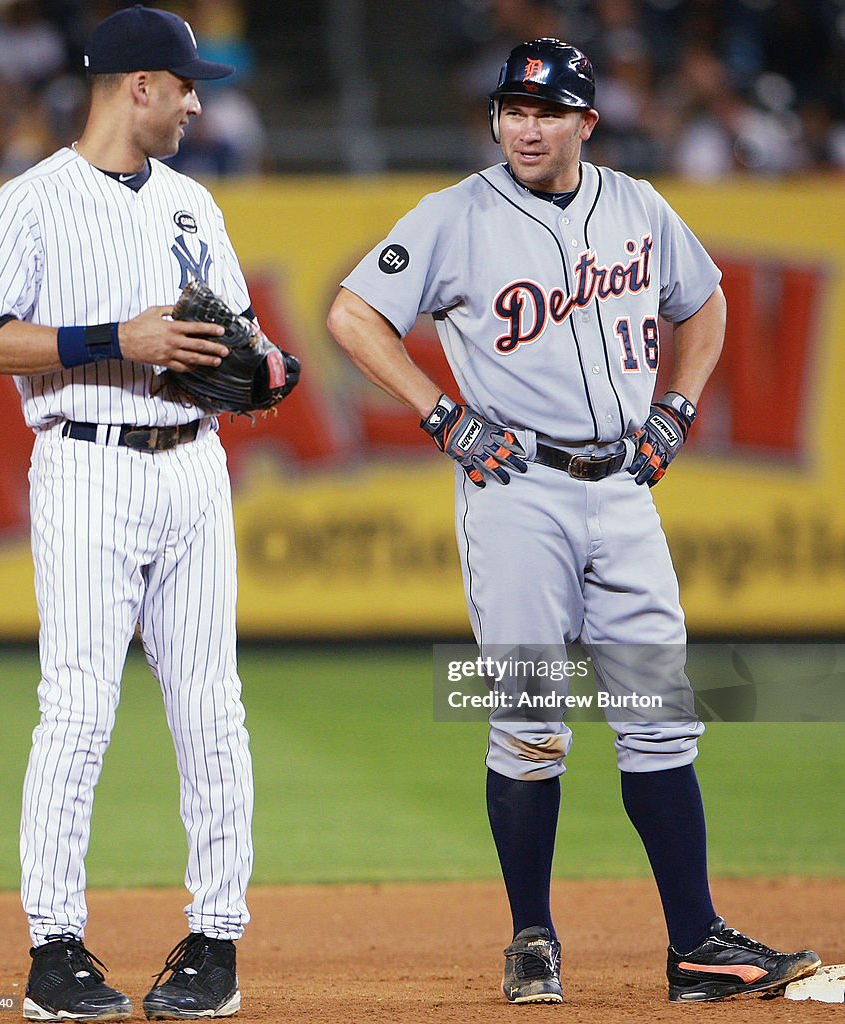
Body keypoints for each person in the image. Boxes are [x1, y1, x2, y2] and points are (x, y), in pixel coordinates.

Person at [327, 38, 820, 1005]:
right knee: (527, 723)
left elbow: (707, 301)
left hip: (624, 490)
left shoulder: (637, 203)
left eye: (546, 111)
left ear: (586, 123)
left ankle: (697, 947)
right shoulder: (455, 214)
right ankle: (533, 938)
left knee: (660, 721)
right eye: (512, 108)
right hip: (519, 494)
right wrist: (443, 416)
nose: (524, 124)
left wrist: (677, 406)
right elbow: (353, 315)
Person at [0, 6, 256, 1020]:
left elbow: (238, 339)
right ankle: (54, 948)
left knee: (212, 707)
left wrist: (261, 368)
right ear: (137, 86)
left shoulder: (195, 203)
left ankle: (214, 941)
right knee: (78, 707)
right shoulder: (29, 203)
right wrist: (113, 336)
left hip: (194, 466)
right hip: (86, 466)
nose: (196, 100)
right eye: (184, 84)